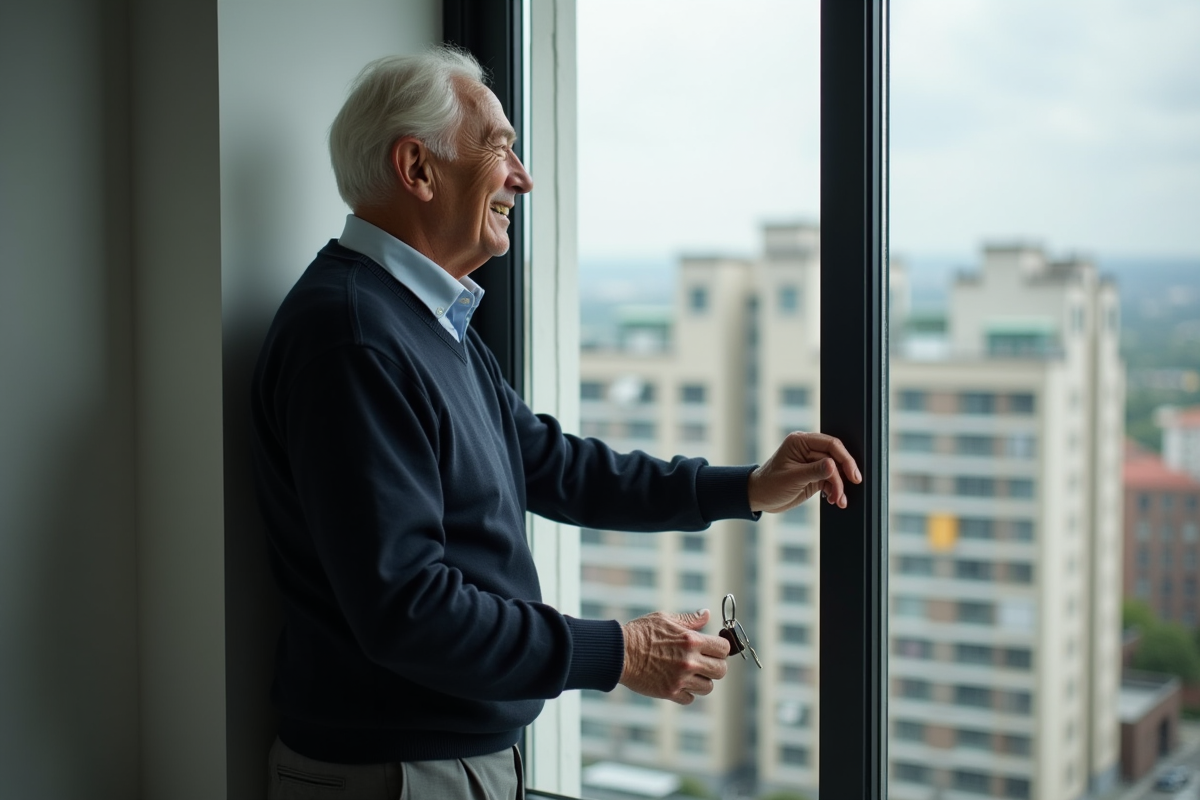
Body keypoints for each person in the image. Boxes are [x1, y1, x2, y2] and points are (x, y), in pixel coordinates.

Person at [249, 46, 861, 800]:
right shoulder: (353, 338)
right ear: (418, 169)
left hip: (441, 766)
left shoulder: (427, 321)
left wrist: (747, 489)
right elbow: (409, 610)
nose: (522, 176)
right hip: (397, 776)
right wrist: (620, 651)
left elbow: (553, 465)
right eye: (499, 146)